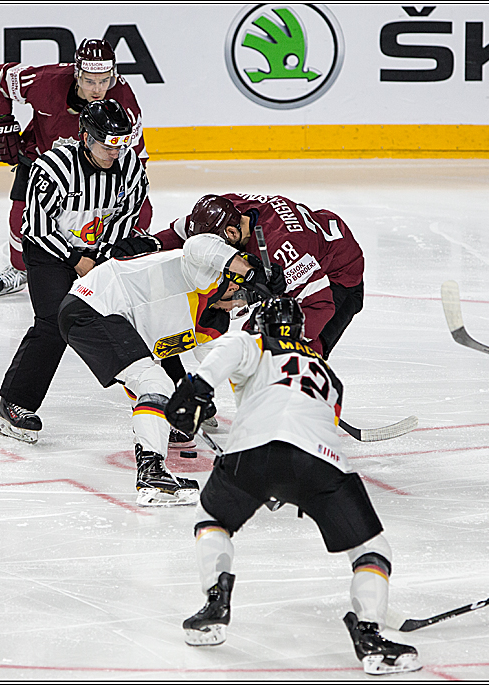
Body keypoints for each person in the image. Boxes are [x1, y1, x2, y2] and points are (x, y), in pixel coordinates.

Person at [165, 295, 421, 675]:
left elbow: (226, 351)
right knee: (371, 548)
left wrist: (196, 388)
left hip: (254, 451)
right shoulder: (329, 377)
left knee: (212, 520)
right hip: (322, 463)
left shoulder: (254, 343)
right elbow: (320, 422)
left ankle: (215, 602)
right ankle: (370, 634)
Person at [57, 232, 283, 506]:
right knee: (155, 382)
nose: (239, 305)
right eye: (243, 296)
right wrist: (250, 272)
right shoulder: (203, 274)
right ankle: (151, 473)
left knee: (152, 383)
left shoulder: (211, 321)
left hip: (111, 321)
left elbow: (229, 366)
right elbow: (198, 244)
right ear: (235, 284)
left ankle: (154, 457)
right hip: (92, 305)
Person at [0, 99, 149, 444]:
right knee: (53, 323)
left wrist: (102, 257)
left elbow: (124, 222)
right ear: (86, 137)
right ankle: (15, 403)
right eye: (109, 143)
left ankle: (163, 397)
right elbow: (35, 225)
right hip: (49, 250)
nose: (116, 151)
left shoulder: (133, 171)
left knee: (133, 316)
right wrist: (77, 259)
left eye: (122, 142)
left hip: (96, 252)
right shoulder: (53, 167)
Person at [0, 38, 151, 298]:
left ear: (113, 76)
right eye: (90, 80)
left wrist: (133, 195)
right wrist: (1, 124)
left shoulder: (124, 102)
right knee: (20, 217)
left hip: (95, 165)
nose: (98, 88)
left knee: (129, 216)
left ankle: (107, 267)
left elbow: (135, 156)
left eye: (105, 80)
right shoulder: (44, 82)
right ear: (77, 74)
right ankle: (20, 269)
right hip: (42, 159)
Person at [153, 193, 364, 359]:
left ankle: (309, 402)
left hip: (340, 277)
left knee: (295, 343)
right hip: (310, 249)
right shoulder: (233, 210)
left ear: (232, 234)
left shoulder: (283, 251)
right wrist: (152, 243)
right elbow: (190, 233)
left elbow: (320, 306)